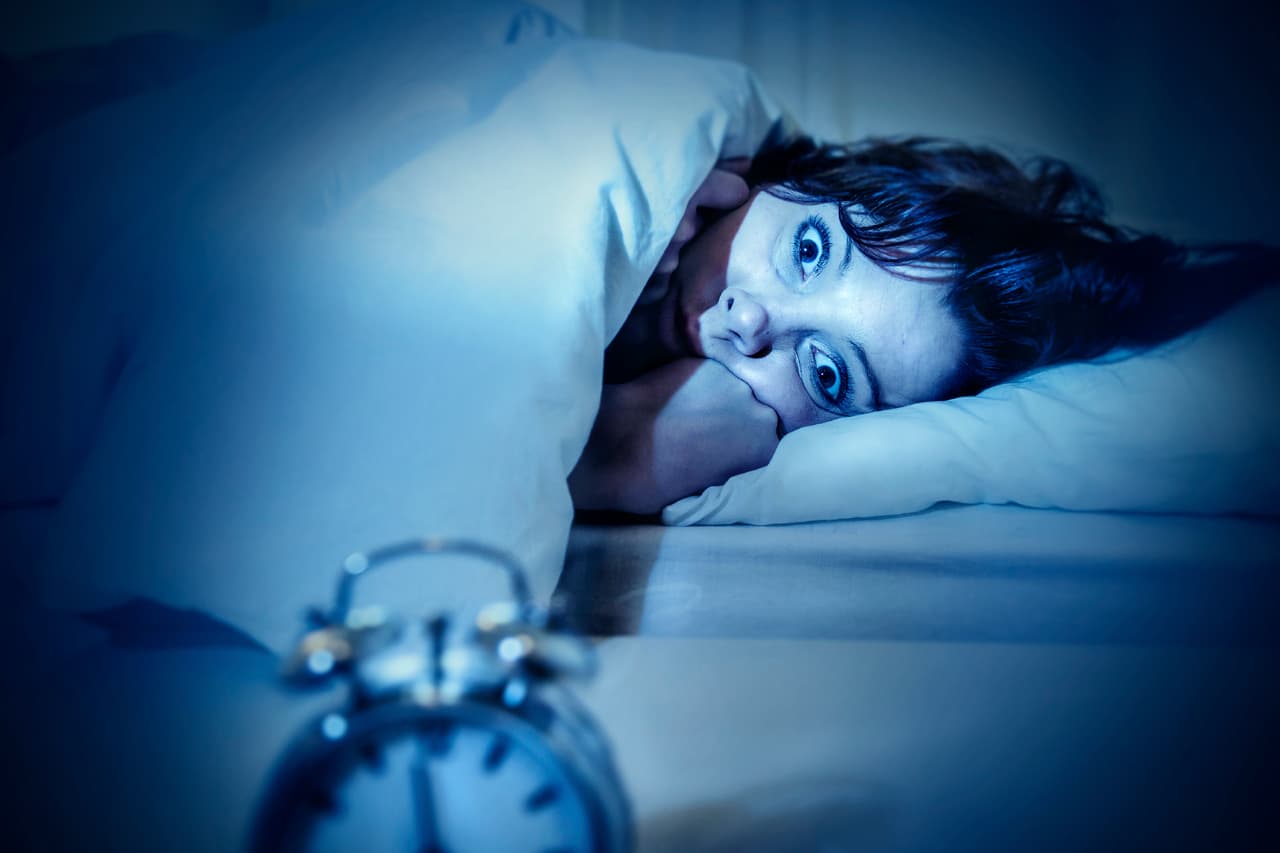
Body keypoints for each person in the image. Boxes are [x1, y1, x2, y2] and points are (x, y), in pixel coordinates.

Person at [569, 135, 1277, 515]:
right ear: (778, 181)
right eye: (810, 250)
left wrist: (614, 452)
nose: (751, 321)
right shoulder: (661, 140)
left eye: (826, 373)